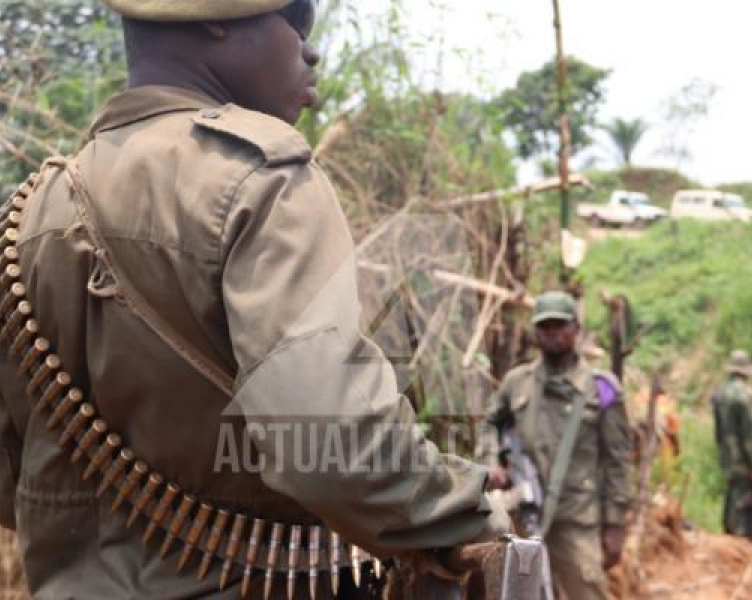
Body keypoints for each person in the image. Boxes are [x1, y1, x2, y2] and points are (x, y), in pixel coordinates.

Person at [0, 1, 509, 598]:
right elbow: (324, 443)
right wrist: (463, 515)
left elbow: (14, 474)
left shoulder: (31, 211)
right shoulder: (260, 176)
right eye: (295, 21)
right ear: (215, 19)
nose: (309, 49)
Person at [479, 291, 633, 600]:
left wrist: (615, 524)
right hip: (522, 516)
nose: (552, 334)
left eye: (560, 326)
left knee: (587, 591)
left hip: (576, 517)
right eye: (545, 326)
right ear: (535, 332)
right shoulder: (517, 382)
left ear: (576, 328)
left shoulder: (601, 389)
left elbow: (618, 460)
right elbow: (490, 424)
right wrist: (491, 462)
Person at [712, 349, 752, 542]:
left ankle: (729, 544)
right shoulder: (745, 396)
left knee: (731, 502)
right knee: (745, 508)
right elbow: (751, 437)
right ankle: (742, 548)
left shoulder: (719, 395)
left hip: (728, 460)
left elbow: (719, 433)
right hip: (744, 463)